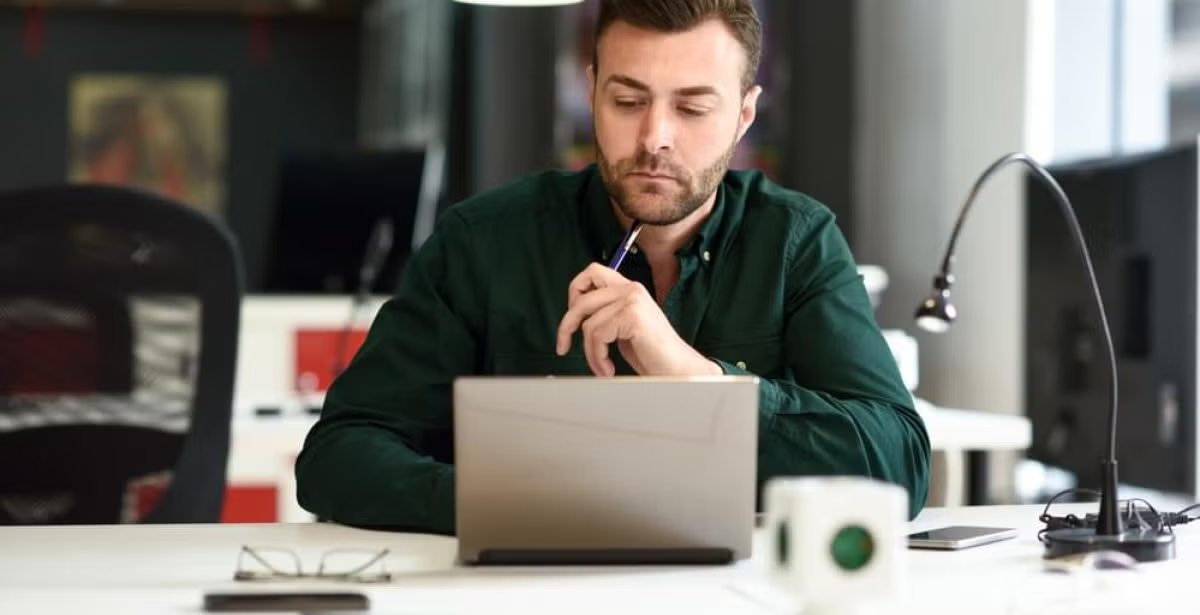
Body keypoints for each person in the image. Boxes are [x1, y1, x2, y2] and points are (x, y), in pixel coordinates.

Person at [295, 0, 931, 534]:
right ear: (593, 89)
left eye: (692, 108)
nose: (654, 136)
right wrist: (510, 504)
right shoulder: (484, 240)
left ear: (743, 114)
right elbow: (337, 455)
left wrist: (694, 378)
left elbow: (898, 460)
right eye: (627, 100)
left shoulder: (795, 238)